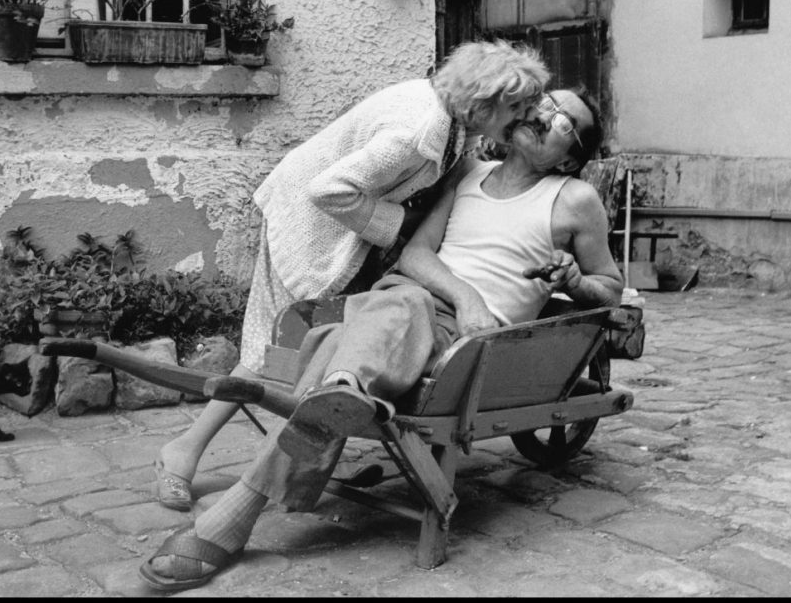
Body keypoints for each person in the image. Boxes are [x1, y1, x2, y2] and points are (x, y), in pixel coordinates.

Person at [139, 89, 623, 591]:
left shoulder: (575, 200)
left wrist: (571, 282)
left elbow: (609, 290)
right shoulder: (469, 176)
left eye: (565, 121)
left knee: (350, 336)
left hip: (464, 345)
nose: (545, 115)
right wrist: (463, 295)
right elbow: (414, 256)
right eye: (546, 102)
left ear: (571, 156)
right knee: (353, 326)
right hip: (403, 310)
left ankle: (243, 504)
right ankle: (336, 397)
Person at [154, 40, 551, 511]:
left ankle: (305, 453)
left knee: (337, 339)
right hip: (307, 221)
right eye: (517, 106)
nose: (524, 116)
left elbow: (449, 167)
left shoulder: (451, 118)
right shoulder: (413, 130)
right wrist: (398, 226)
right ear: (484, 102)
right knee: (270, 349)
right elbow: (327, 189)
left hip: (341, 225)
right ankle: (184, 451)